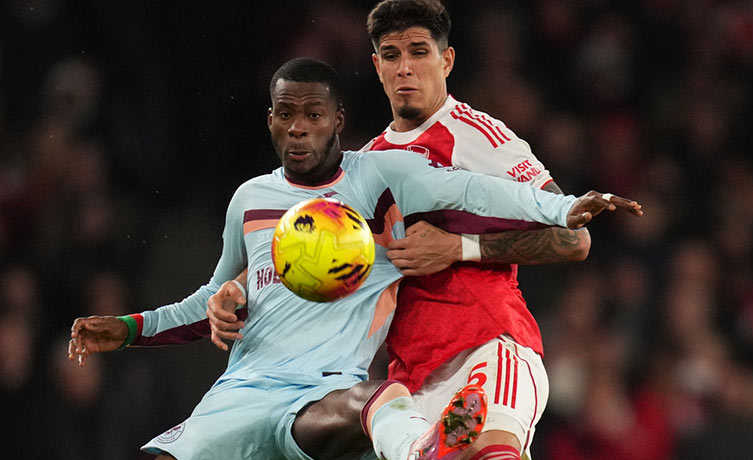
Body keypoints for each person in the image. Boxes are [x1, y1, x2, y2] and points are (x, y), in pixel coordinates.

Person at [68, 57, 640, 460]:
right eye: (286, 114)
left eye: (313, 115)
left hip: (345, 394)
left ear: (337, 121)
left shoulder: (378, 183)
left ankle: (423, 448)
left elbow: (473, 194)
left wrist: (559, 206)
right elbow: (216, 296)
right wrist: (138, 325)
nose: (298, 127)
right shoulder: (253, 201)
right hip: (246, 393)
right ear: (268, 119)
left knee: (462, 439)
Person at [211, 2, 601, 459]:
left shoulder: (479, 137)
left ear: (446, 60)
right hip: (414, 388)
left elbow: (575, 238)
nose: (405, 68)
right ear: (377, 67)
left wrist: (459, 247)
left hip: (489, 351)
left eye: (419, 52)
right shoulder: (366, 166)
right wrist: (237, 292)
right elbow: (311, 250)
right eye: (392, 56)